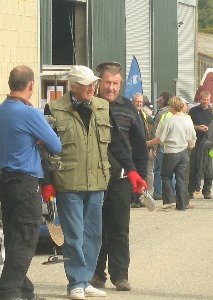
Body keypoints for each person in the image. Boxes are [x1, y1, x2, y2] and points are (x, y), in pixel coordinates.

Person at [46, 65, 146, 299]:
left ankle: (87, 277)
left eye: (94, 83)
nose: (94, 88)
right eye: (88, 84)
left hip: (97, 183)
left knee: (94, 235)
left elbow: (119, 144)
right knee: (74, 236)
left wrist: (132, 171)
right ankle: (76, 283)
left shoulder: (102, 108)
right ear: (74, 86)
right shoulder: (54, 109)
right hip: (68, 183)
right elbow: (45, 151)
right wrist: (47, 182)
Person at [0, 65, 62, 300]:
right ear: (31, 85)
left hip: (6, 182)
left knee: (14, 237)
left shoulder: (2, 110)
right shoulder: (30, 113)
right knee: (25, 238)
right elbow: (56, 145)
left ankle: (25, 292)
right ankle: (7, 293)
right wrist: (39, 140)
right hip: (26, 182)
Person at [92, 62, 149, 292]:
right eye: (107, 82)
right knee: (96, 229)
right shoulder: (90, 106)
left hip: (121, 180)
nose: (111, 88)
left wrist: (141, 179)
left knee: (119, 229)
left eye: (116, 84)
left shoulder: (128, 108)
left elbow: (140, 146)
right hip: (93, 178)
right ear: (99, 83)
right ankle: (96, 274)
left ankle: (120, 275)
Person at [147, 96, 196, 210]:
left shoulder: (169, 120)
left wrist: (148, 142)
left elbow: (160, 138)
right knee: (181, 178)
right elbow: (193, 136)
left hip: (171, 151)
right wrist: (190, 146)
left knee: (165, 175)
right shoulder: (188, 119)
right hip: (184, 151)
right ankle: (182, 204)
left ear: (172, 107)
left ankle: (169, 200)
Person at [188, 90, 213, 199]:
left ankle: (207, 191)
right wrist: (198, 127)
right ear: (200, 100)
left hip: (208, 142)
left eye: (208, 100)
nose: (206, 102)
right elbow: (188, 125)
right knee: (193, 167)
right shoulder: (193, 111)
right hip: (196, 141)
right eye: (204, 100)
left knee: (208, 168)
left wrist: (209, 129)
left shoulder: (212, 111)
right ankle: (191, 190)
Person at [151, 92, 173, 200]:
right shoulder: (176, 112)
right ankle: (172, 192)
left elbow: (156, 130)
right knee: (172, 170)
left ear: (164, 99)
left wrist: (153, 147)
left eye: (160, 98)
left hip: (162, 145)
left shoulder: (161, 113)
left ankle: (158, 192)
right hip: (173, 146)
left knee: (158, 169)